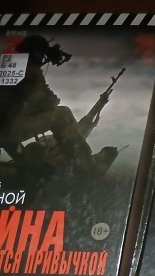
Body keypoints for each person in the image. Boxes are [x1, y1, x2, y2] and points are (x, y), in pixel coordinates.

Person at [0, 35, 93, 173]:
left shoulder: (6, 65)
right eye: (41, 54)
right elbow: (49, 102)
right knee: (62, 114)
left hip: (5, 128)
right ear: (37, 53)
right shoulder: (30, 70)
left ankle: (24, 161)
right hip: (7, 131)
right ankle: (86, 163)